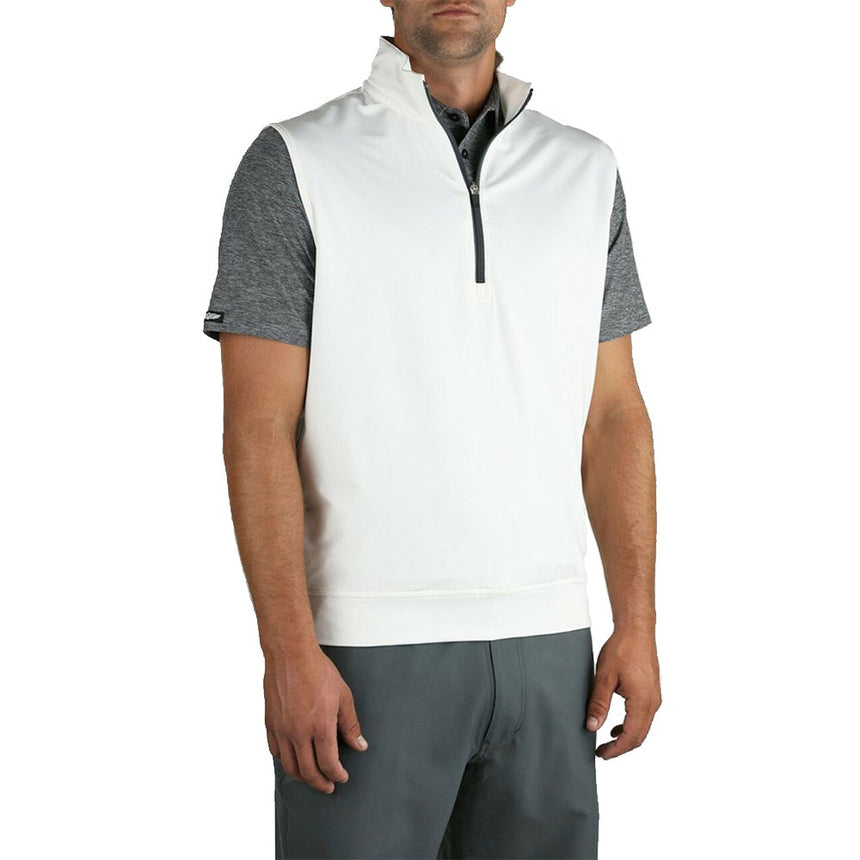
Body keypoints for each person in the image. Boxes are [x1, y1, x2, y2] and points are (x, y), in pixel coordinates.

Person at [202, 2, 660, 857]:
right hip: (364, 648)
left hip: (551, 643)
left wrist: (637, 622)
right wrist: (288, 650)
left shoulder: (586, 169)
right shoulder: (296, 160)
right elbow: (257, 427)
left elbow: (613, 416)